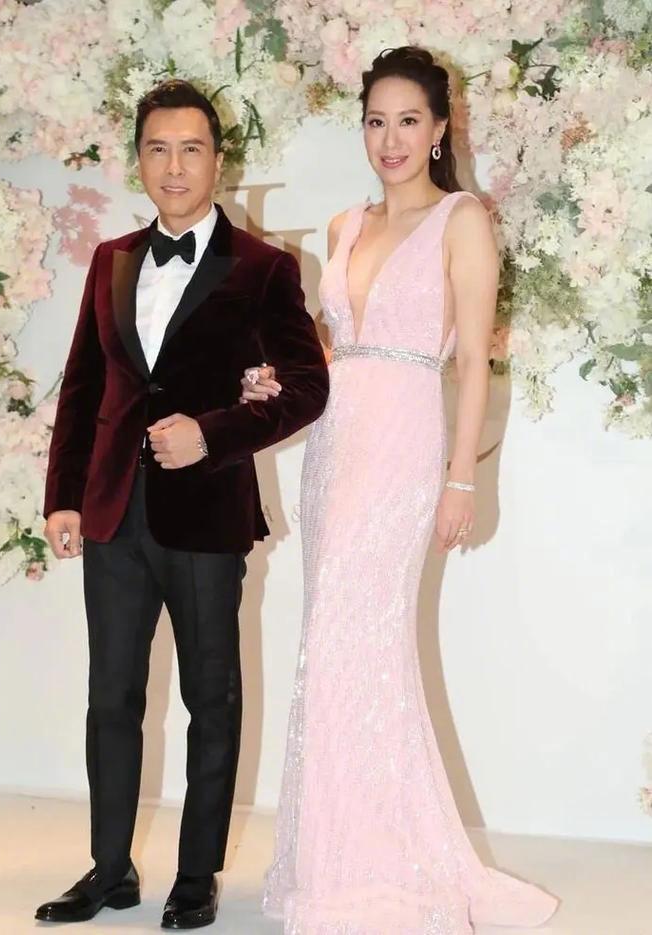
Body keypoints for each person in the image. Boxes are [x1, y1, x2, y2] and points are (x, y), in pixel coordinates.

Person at [243, 48, 559, 935]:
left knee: (359, 637)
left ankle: (382, 866)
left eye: (408, 121)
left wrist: (462, 477)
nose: (391, 139)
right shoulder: (345, 223)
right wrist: (278, 377)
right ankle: (342, 857)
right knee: (333, 645)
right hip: (336, 445)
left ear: (440, 129)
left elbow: (473, 364)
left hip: (406, 445)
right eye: (376, 121)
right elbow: (331, 351)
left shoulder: (463, 220)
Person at [35, 79, 329, 930]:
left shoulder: (265, 268)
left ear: (217, 159)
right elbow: (83, 384)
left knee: (212, 698)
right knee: (110, 698)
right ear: (139, 158)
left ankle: (196, 874)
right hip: (112, 513)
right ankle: (110, 868)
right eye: (157, 149)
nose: (174, 166)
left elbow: (307, 388)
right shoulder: (112, 259)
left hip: (204, 517)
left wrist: (213, 433)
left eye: (191, 149)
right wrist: (63, 497)